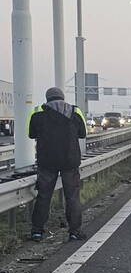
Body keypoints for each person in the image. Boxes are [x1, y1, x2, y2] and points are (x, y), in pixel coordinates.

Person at [28, 87, 88, 242]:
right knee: (72, 197)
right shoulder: (75, 112)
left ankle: (37, 232)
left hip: (47, 161)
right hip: (70, 160)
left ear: (47, 98)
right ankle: (74, 232)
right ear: (62, 97)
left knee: (43, 196)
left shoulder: (37, 113)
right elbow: (83, 133)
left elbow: (31, 134)